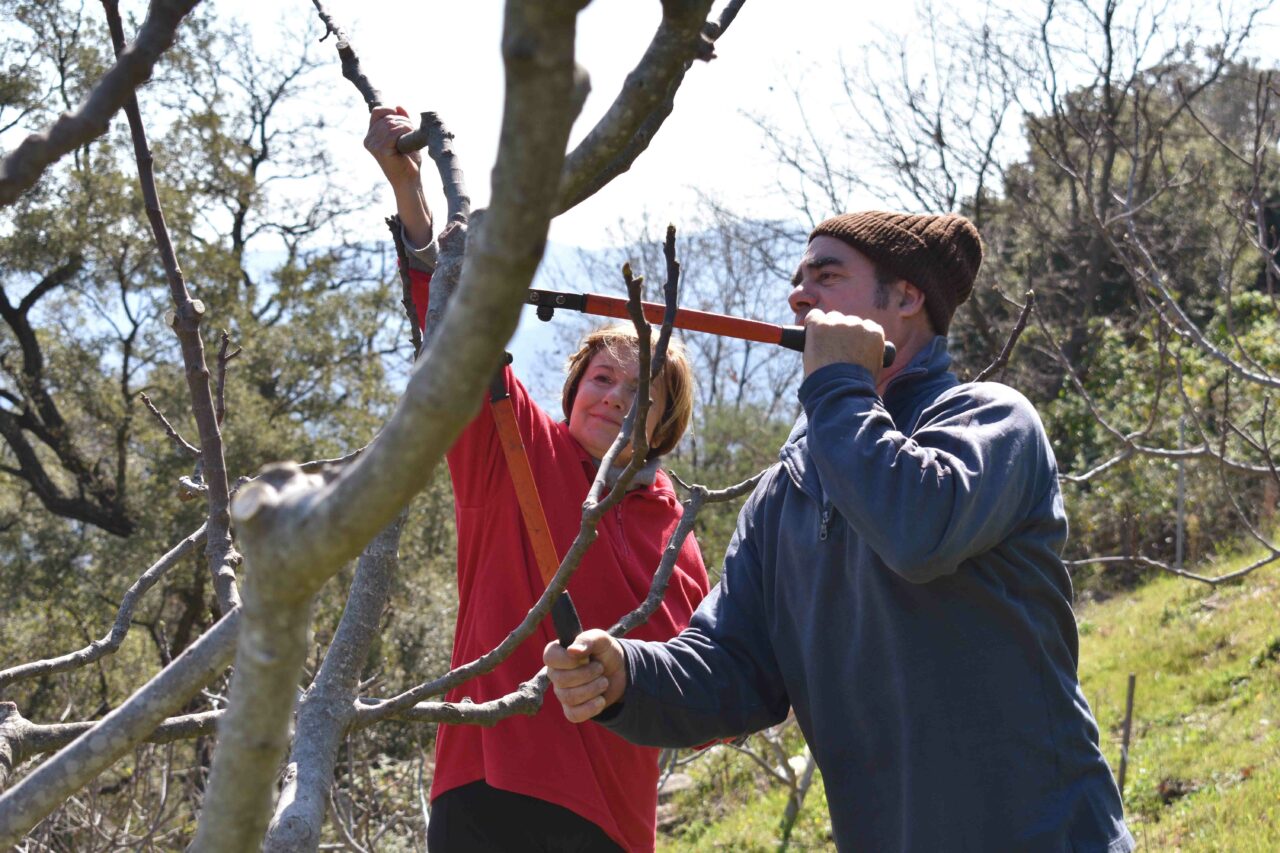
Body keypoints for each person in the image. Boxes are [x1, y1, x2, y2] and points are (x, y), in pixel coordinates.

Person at [545, 211, 1135, 852]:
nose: (799, 294)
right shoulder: (783, 496)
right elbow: (730, 667)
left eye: (827, 276)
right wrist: (625, 673)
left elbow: (915, 528)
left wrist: (836, 385)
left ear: (907, 298)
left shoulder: (992, 421)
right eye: (799, 279)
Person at [365, 106, 711, 852]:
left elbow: (700, 697)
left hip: (606, 818)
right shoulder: (514, 448)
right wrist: (411, 192)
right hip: (481, 785)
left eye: (641, 390)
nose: (615, 396)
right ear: (574, 385)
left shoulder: (676, 537)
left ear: (664, 422)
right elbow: (453, 323)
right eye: (604, 376)